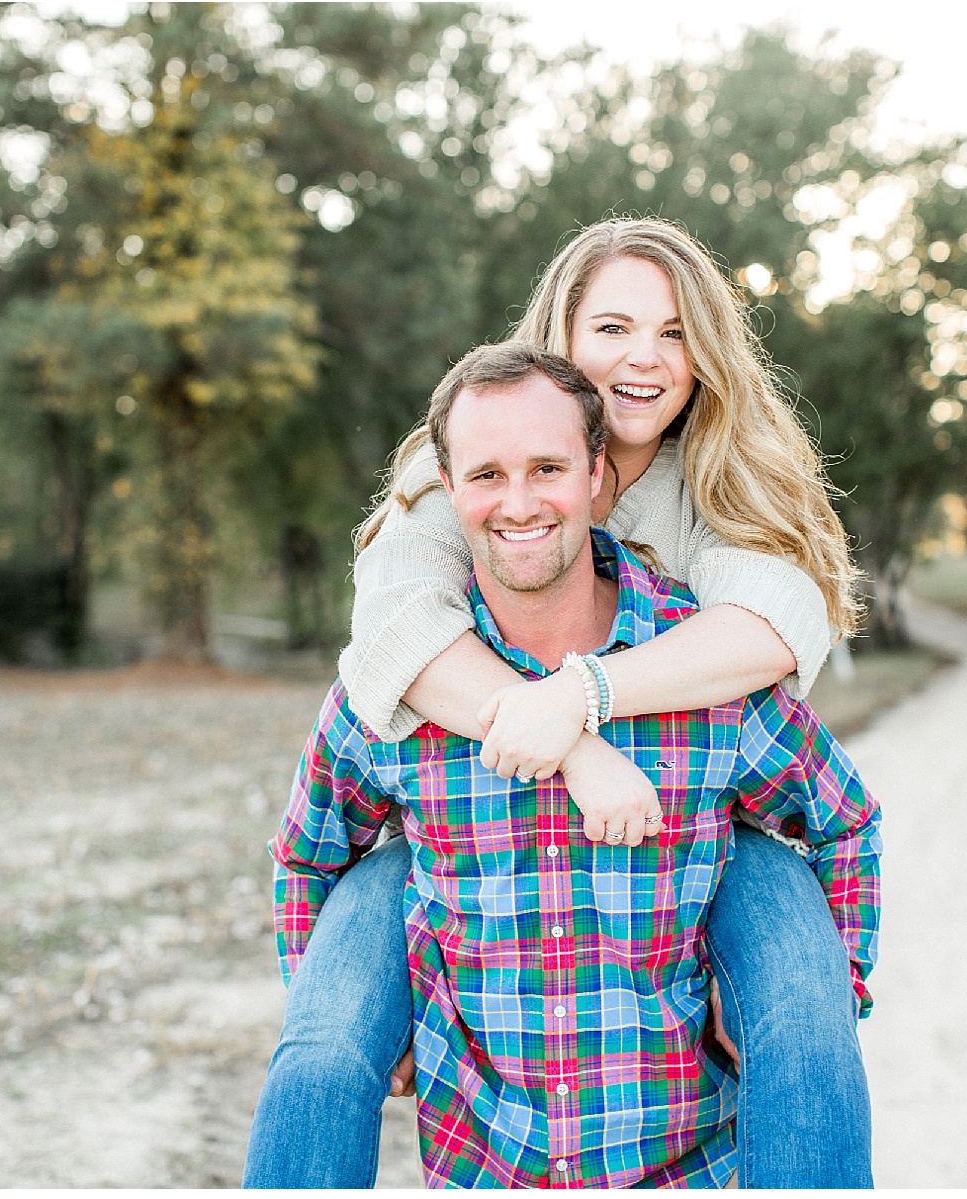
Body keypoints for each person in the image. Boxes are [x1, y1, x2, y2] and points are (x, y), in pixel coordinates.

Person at [244, 218, 874, 1188]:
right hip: (458, 796)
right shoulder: (467, 454)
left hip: (702, 812)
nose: (645, 357)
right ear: (560, 337)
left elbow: (778, 626)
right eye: (614, 327)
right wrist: (569, 741)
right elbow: (394, 629)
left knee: (803, 1015)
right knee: (323, 1040)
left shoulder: (726, 475)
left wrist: (585, 693)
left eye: (674, 332)